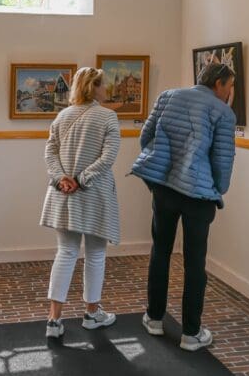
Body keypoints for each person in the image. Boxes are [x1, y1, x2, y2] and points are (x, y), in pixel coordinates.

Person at [131, 63, 237, 351]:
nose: (230, 92)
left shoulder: (168, 96)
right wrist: (217, 188)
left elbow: (146, 137)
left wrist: (161, 167)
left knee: (160, 252)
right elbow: (222, 160)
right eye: (229, 86)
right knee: (195, 263)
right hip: (198, 196)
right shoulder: (223, 113)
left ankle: (154, 319)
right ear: (218, 83)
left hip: (165, 188)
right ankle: (191, 333)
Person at [40, 67, 121, 338]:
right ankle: (91, 314)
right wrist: (82, 179)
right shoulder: (108, 116)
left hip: (64, 194)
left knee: (65, 253)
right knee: (95, 255)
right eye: (103, 85)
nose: (106, 89)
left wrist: (62, 178)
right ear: (94, 87)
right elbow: (109, 157)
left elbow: (50, 152)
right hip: (95, 194)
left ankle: (54, 321)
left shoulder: (62, 116)